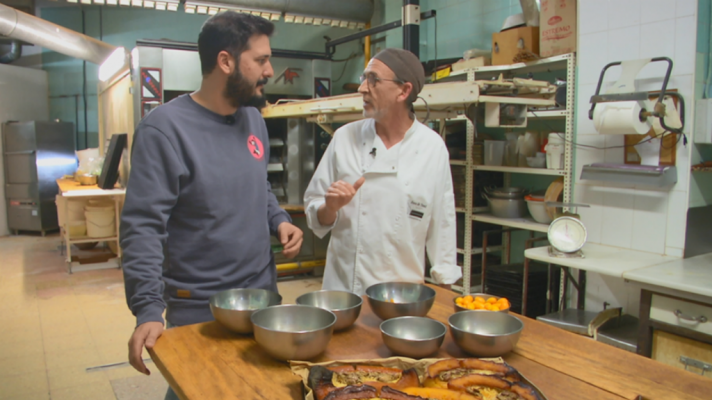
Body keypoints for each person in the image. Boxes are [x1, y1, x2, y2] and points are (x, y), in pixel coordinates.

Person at [120, 11, 303, 384]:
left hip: (262, 299)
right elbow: (143, 228)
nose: (270, 70)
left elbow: (258, 185)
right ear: (225, 61)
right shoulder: (165, 131)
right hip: (200, 310)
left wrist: (279, 219)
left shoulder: (253, 119)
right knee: (205, 390)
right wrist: (149, 308)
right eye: (261, 59)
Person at [304, 48, 461, 295]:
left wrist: (445, 290)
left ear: (404, 90)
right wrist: (330, 207)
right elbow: (315, 213)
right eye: (363, 78)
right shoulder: (345, 138)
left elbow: (442, 223)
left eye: (373, 79)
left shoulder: (431, 148)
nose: (362, 88)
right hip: (344, 293)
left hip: (402, 297)